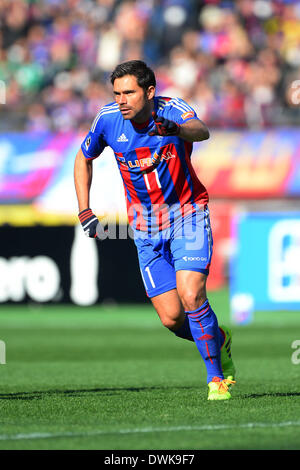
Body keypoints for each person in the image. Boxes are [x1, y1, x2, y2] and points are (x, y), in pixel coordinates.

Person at [74, 60, 236, 400]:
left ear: (149, 92)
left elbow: (201, 130)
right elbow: (83, 157)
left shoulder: (172, 110)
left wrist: (173, 129)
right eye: (116, 93)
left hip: (187, 215)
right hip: (145, 229)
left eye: (129, 92)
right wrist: (84, 208)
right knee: (171, 318)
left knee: (192, 295)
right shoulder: (107, 120)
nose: (121, 100)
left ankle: (216, 379)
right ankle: (218, 339)